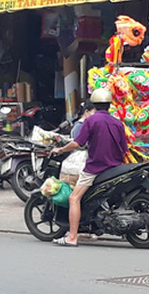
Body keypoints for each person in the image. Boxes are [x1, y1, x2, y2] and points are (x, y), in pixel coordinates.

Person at [50, 88, 128, 247]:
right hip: (115, 167)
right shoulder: (117, 123)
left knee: (74, 198)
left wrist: (60, 149)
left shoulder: (91, 121)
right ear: (109, 104)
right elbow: (124, 149)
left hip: (96, 167)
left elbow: (76, 143)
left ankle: (72, 237)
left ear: (94, 104)